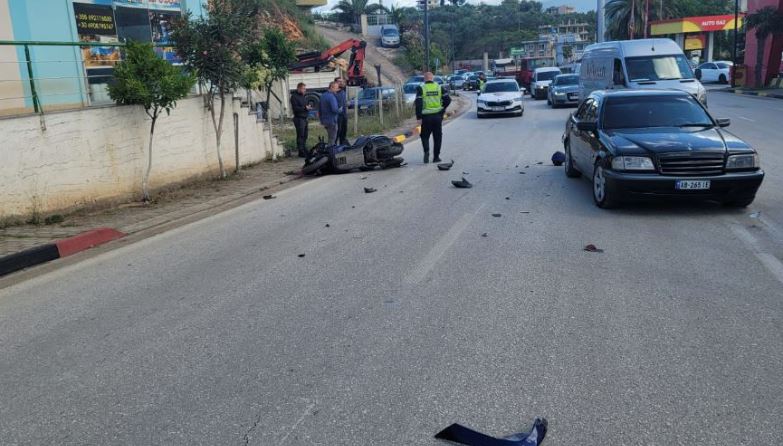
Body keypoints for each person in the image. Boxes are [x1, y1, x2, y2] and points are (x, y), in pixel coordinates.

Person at [415, 71, 451, 164]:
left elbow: (418, 104)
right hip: (437, 116)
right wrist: (442, 109)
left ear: (424, 79)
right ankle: (436, 157)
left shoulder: (421, 88)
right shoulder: (439, 87)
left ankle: (426, 151)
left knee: (424, 136)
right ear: (433, 78)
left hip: (426, 117)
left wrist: (419, 117)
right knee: (438, 137)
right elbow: (448, 99)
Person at [290, 82, 311, 157]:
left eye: (305, 88)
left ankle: (304, 149)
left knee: (305, 135)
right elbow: (295, 108)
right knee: (300, 135)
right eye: (303, 88)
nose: (305, 90)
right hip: (299, 118)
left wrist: (308, 107)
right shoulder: (294, 97)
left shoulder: (303, 96)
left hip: (305, 118)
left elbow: (305, 105)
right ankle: (301, 151)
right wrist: (305, 108)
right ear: (298, 88)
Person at [319, 81, 341, 145]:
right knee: (332, 138)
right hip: (332, 120)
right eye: (336, 88)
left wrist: (321, 120)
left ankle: (330, 150)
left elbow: (319, 108)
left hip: (325, 120)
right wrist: (340, 110)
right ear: (331, 87)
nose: (337, 89)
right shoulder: (331, 97)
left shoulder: (323, 96)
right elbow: (334, 110)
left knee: (330, 137)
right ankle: (331, 153)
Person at [335, 77, 349, 145]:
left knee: (344, 130)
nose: (341, 82)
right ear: (335, 83)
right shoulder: (334, 92)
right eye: (339, 81)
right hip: (337, 116)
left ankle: (342, 144)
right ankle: (333, 146)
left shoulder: (343, 91)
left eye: (342, 81)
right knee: (337, 131)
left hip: (344, 114)